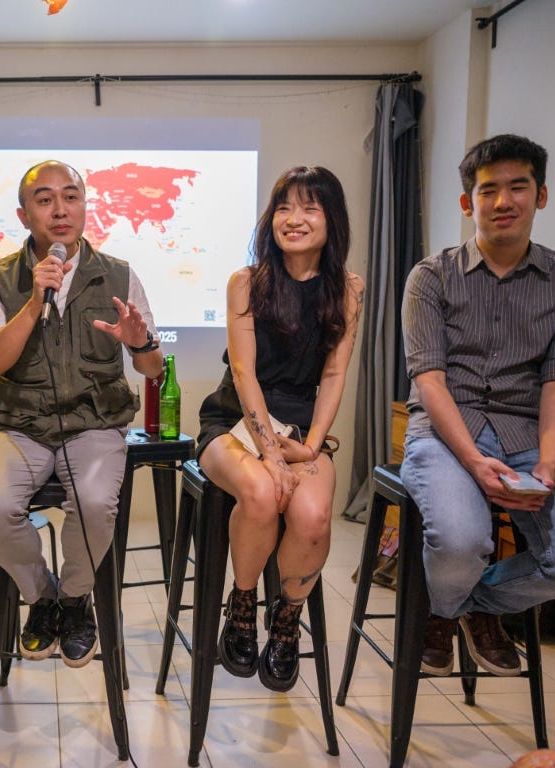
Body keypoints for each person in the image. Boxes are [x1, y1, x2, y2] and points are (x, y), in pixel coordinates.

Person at [400, 134, 555, 677]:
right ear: (468, 202)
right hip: (447, 432)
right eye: (489, 190)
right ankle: (451, 603)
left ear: (541, 196)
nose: (503, 202)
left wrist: (548, 464)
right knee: (461, 540)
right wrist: (473, 460)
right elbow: (430, 381)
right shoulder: (431, 276)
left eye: (519, 187)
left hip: (528, 436)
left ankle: (466, 607)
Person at [0, 160, 164, 668]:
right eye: (45, 198)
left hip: (95, 426)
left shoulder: (118, 274)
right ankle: (42, 597)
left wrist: (139, 341)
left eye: (70, 196)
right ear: (23, 212)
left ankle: (76, 600)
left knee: (96, 503)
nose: (60, 209)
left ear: (84, 205)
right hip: (21, 427)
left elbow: (151, 368)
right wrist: (33, 302)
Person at [195, 166, 363, 691]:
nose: (294, 219)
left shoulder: (349, 289)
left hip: (299, 427)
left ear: (331, 219)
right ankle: (242, 601)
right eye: (285, 207)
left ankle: (286, 620)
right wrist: (270, 452)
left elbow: (334, 373)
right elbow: (243, 372)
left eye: (310, 208)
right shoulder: (247, 282)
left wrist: (310, 445)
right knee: (263, 493)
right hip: (234, 419)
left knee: (314, 516)